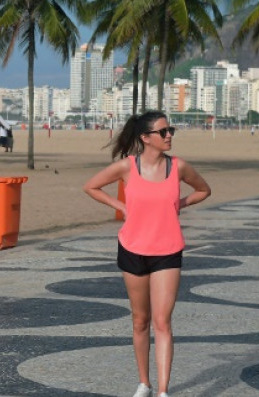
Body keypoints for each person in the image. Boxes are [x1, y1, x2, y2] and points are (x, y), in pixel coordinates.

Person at [83, 111, 211, 397]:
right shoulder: (127, 167)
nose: (169, 136)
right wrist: (122, 206)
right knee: (140, 321)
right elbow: (91, 186)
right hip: (132, 248)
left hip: (168, 251)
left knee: (162, 322)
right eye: (163, 132)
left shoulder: (178, 167)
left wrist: (179, 204)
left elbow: (204, 190)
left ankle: (163, 391)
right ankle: (145, 383)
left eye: (171, 131)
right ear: (145, 138)